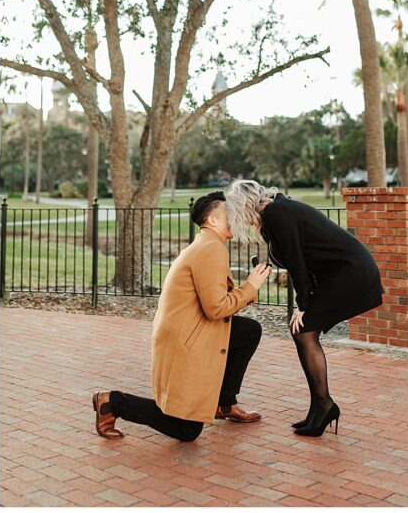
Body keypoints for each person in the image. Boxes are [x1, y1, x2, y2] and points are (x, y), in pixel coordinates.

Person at [93, 192, 271, 442]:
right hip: (185, 342)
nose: (233, 218)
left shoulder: (206, 244)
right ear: (211, 220)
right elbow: (216, 309)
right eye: (227, 213)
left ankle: (224, 403)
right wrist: (251, 286)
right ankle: (112, 402)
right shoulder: (210, 249)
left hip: (187, 332)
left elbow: (215, 301)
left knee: (248, 331)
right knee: (187, 431)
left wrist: (247, 287)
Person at [225, 179, 384, 437]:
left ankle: (324, 406)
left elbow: (298, 264)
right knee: (301, 331)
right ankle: (319, 408)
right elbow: (305, 261)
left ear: (245, 204)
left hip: (351, 273)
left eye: (236, 212)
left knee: (303, 331)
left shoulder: (277, 213)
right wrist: (306, 304)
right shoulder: (274, 216)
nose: (236, 220)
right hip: (339, 274)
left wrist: (303, 306)